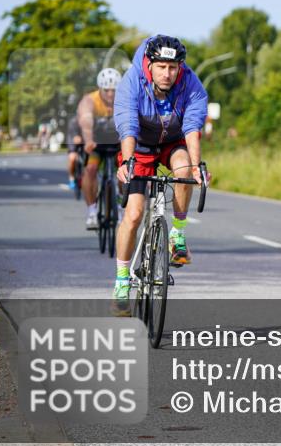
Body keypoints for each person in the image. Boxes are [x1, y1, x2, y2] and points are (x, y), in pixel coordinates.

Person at [113, 35, 208, 304]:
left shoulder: (191, 84)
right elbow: (127, 122)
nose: (168, 74)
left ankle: (177, 233)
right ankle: (122, 277)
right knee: (133, 214)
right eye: (162, 67)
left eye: (173, 68)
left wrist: (197, 165)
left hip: (172, 141)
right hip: (140, 144)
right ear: (150, 64)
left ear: (180, 67)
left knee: (184, 168)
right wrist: (127, 162)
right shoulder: (132, 81)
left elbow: (192, 126)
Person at [76, 68, 122, 229]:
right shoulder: (90, 100)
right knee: (90, 169)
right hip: (96, 143)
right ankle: (92, 211)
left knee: (126, 171)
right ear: (99, 88)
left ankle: (120, 204)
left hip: (118, 144)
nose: (110, 94)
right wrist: (88, 140)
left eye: (114, 90)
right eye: (106, 90)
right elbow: (86, 120)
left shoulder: (124, 99)